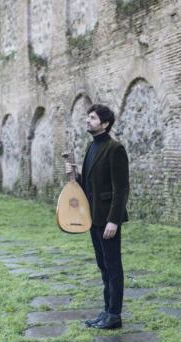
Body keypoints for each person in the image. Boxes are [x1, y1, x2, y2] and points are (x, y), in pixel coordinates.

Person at [65, 104, 129, 330]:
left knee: (113, 266)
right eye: (87, 116)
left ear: (105, 124)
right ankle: (107, 310)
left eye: (92, 118)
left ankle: (115, 315)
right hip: (92, 218)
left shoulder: (115, 148)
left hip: (107, 219)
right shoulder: (92, 147)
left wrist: (114, 219)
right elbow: (89, 185)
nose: (87, 120)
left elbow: (121, 189)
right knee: (103, 265)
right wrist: (75, 176)